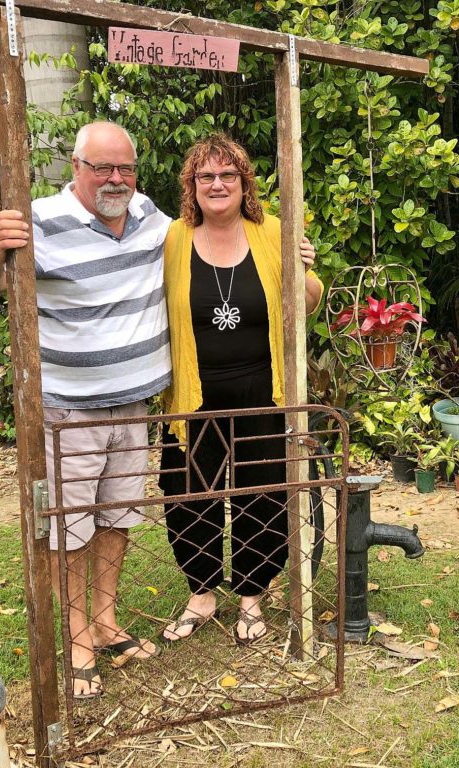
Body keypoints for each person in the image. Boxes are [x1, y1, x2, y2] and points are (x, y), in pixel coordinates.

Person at [0, 122, 167, 699]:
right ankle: (76, 638)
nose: (116, 179)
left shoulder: (150, 216)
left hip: (134, 407)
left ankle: (105, 622)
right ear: (75, 167)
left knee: (118, 516)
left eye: (125, 168)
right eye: (102, 167)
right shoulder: (38, 222)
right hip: (70, 411)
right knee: (70, 525)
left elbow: (214, 239)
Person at [159, 134, 322, 645]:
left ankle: (252, 593)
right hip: (194, 394)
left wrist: (305, 271)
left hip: (262, 393)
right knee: (188, 495)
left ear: (244, 182)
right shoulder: (173, 239)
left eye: (227, 174)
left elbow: (307, 304)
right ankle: (202, 593)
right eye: (205, 176)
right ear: (192, 185)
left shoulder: (274, 232)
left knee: (263, 494)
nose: (217, 184)